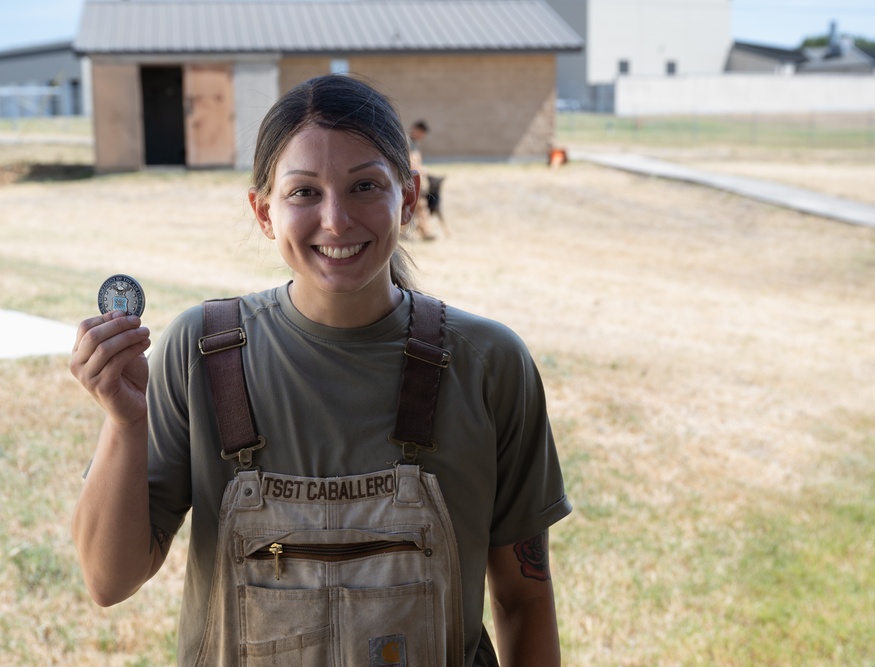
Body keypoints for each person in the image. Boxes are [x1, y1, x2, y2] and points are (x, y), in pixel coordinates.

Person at [70, 74, 571, 666]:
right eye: (304, 192)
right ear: (263, 211)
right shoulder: (201, 353)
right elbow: (109, 581)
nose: (335, 220)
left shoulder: (489, 365)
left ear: (408, 198)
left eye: (364, 185)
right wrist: (126, 424)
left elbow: (522, 600)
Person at [408, 119, 437, 240]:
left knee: (419, 205)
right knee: (414, 205)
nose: (422, 136)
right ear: (416, 130)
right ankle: (423, 231)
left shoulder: (415, 144)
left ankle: (424, 230)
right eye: (421, 132)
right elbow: (411, 163)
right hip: (409, 179)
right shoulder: (406, 142)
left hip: (416, 180)